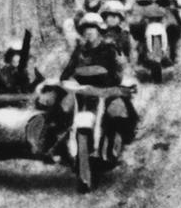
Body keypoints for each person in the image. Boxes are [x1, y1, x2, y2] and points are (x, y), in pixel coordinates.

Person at [57, 13, 137, 143]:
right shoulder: (80, 50)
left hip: (105, 91)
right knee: (63, 109)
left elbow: (119, 70)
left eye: (92, 28)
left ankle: (115, 139)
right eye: (85, 28)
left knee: (118, 111)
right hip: (83, 92)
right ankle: (62, 140)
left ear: (99, 30)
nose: (88, 32)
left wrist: (114, 81)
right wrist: (66, 80)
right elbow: (68, 70)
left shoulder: (110, 48)